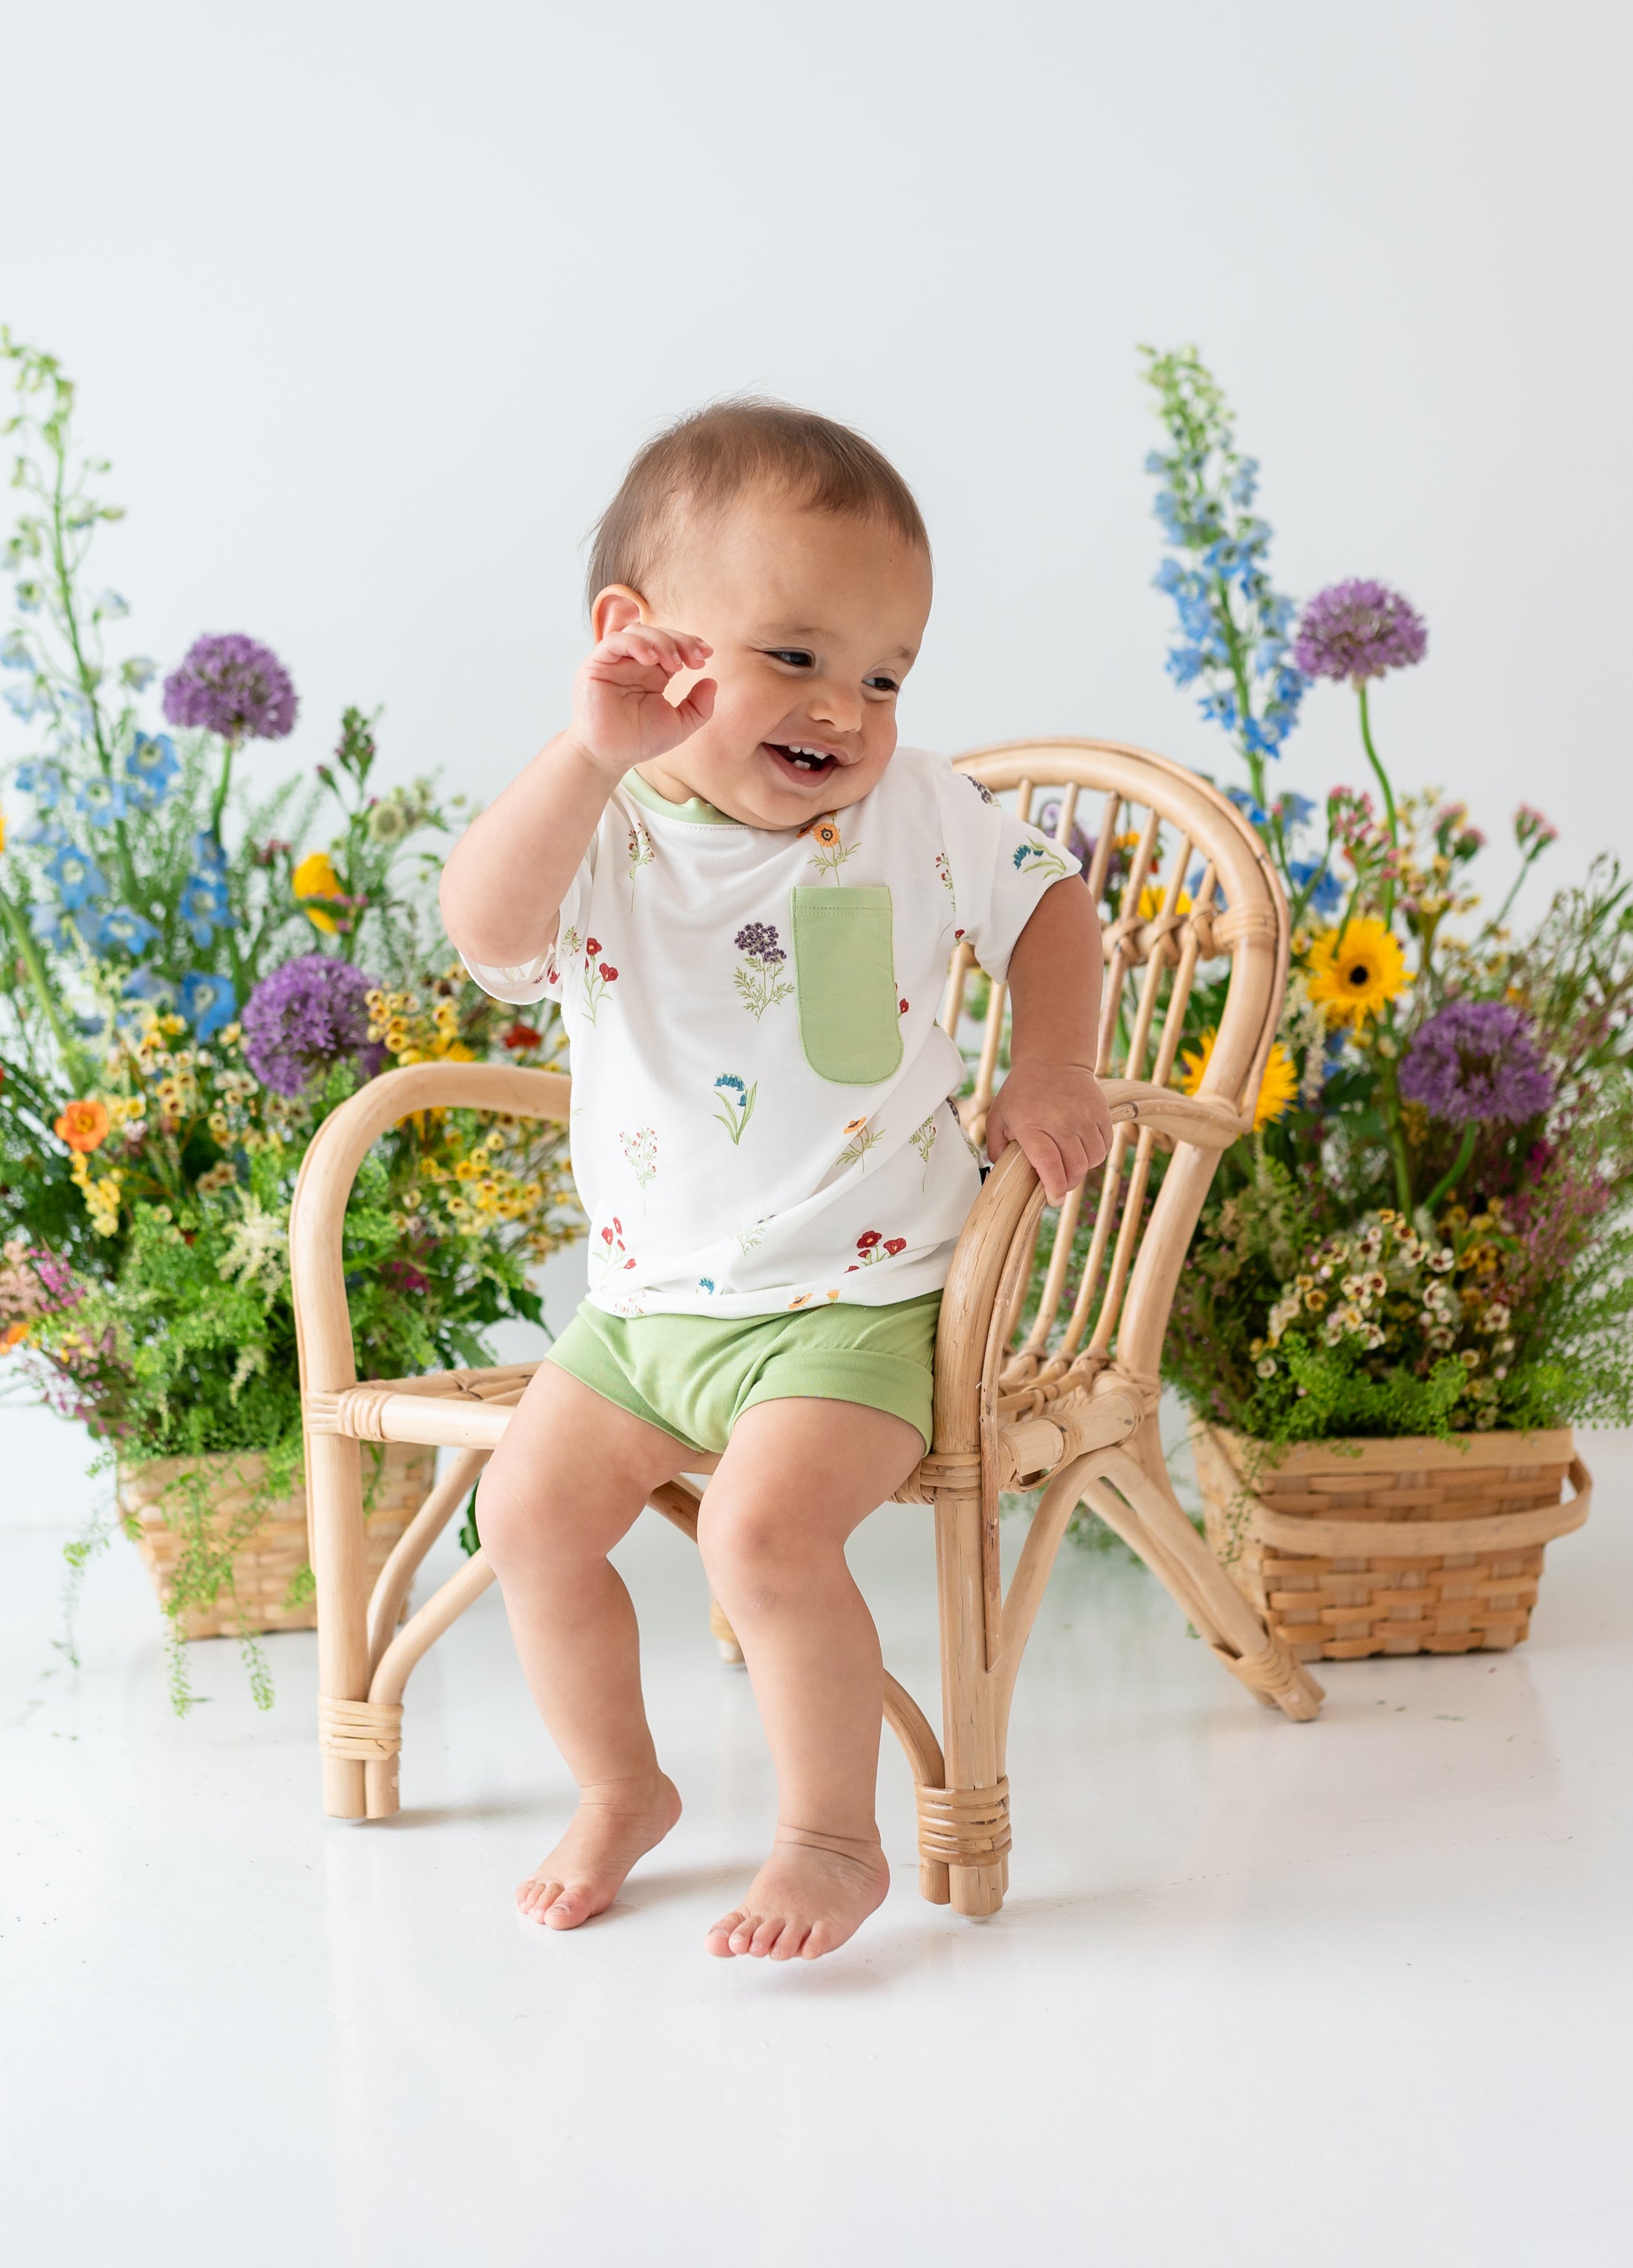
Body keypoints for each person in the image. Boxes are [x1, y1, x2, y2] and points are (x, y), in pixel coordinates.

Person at [439, 401, 1107, 1960]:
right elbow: (487, 931)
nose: (845, 711)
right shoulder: (601, 829)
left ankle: (828, 1836)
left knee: (759, 1537)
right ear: (640, 643)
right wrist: (586, 754)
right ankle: (622, 1788)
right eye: (796, 655)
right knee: (523, 1518)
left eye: (885, 674)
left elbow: (1053, 904)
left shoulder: (916, 808)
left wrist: (1051, 1067)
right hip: (642, 1314)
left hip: (858, 1310)